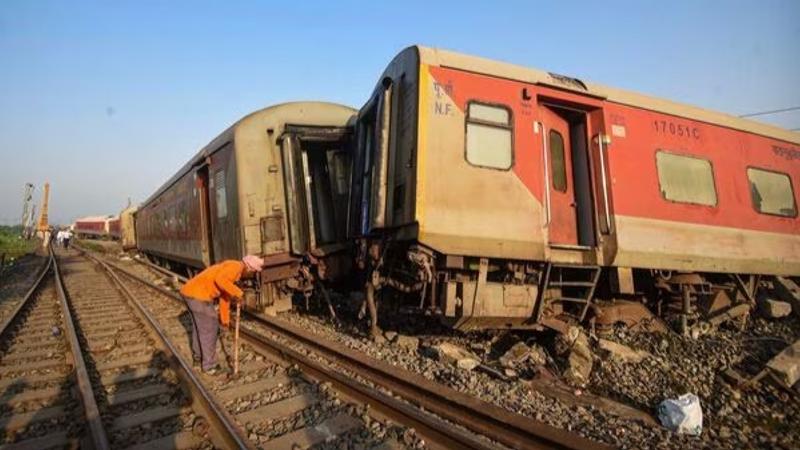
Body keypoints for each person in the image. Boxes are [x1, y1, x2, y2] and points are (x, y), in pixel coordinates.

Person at [179, 255, 265, 374]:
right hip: (198, 295)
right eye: (253, 271)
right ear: (249, 267)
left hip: (189, 293)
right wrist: (238, 293)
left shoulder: (234, 273)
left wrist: (225, 320)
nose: (252, 274)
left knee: (200, 328)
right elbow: (219, 280)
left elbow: (225, 299)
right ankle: (210, 366)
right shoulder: (235, 267)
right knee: (209, 328)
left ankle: (198, 359)